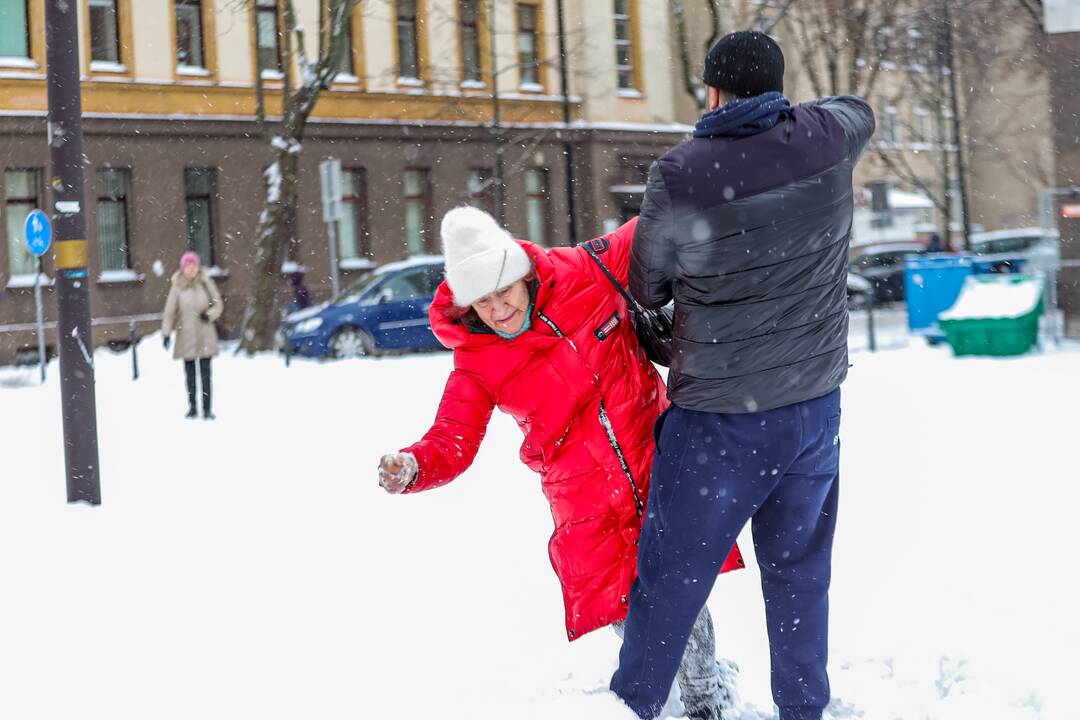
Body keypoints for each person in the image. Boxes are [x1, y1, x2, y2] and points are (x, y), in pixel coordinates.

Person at [378, 207, 745, 720]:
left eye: (503, 290)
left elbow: (653, 224)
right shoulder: (476, 362)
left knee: (680, 582)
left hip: (655, 457)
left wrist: (714, 174)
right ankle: (662, 690)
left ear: (522, 275)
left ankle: (707, 693)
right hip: (583, 493)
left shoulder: (582, 272)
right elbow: (453, 438)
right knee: (627, 601)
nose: (498, 308)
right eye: (481, 301)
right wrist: (415, 466)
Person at [610, 31, 876, 720]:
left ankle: (631, 705)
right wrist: (790, 124)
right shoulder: (827, 137)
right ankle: (803, 710)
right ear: (778, 89)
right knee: (799, 580)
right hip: (813, 412)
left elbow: (647, 285)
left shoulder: (682, 172)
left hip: (719, 422)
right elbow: (858, 108)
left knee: (670, 583)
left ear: (712, 90)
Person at [162, 251, 223, 420]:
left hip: (205, 335)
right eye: (188, 266)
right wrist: (166, 333)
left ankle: (207, 409)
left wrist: (210, 314)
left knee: (205, 374)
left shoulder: (206, 282)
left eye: (194, 265)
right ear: (183, 268)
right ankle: (193, 407)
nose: (191, 269)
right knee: (190, 375)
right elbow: (169, 312)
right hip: (186, 335)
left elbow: (218, 303)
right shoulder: (177, 286)